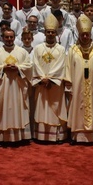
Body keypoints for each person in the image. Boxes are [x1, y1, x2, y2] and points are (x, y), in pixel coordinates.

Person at [66, 15, 93, 144]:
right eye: (82, 34)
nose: (85, 37)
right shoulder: (72, 51)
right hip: (77, 88)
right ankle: (76, 136)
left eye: (87, 34)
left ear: (90, 34)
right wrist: (69, 87)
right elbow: (68, 69)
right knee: (78, 109)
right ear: (79, 35)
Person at [0, 28, 32, 144]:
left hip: (17, 86)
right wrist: (3, 68)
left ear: (14, 38)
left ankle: (20, 136)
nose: (9, 39)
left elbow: (29, 67)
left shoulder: (22, 52)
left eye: (11, 37)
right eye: (6, 37)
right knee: (3, 109)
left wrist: (18, 68)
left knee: (18, 108)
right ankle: (1, 137)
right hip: (4, 86)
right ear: (2, 38)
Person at [32, 14, 67, 142]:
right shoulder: (38, 49)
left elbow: (61, 65)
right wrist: (42, 78)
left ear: (56, 33)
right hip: (42, 84)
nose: (51, 34)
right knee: (42, 107)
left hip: (55, 85)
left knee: (55, 109)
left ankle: (56, 136)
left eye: (53, 32)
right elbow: (35, 63)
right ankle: (41, 135)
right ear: (45, 33)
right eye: (48, 32)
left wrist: (50, 78)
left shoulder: (61, 49)